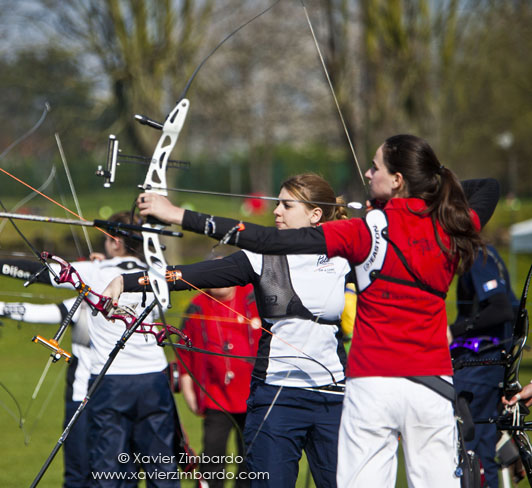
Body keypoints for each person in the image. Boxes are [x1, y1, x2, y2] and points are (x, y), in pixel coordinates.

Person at [113, 134, 500, 487]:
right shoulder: (444, 226)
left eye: (375, 168)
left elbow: (264, 237)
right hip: (320, 391)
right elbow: (488, 189)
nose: (367, 173)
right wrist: (131, 281)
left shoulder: (359, 235)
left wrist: (178, 214)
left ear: (397, 179)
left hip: (354, 388)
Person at [105, 174, 353, 487]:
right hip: (276, 397)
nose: (276, 211)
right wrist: (128, 282)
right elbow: (189, 275)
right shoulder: (260, 256)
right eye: (277, 204)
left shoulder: (345, 253)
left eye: (287, 205)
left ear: (315, 214)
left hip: (333, 396)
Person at [0, 211, 179, 486]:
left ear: (116, 242)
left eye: (107, 239)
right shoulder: (157, 273)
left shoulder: (95, 271)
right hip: (155, 379)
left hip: (111, 382)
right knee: (161, 469)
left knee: (109, 471)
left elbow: (38, 272)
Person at [0, 296, 92, 487]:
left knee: (113, 472)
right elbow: (38, 312)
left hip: (112, 398)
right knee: (80, 472)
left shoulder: (136, 304)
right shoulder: (83, 304)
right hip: (82, 398)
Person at [179, 280, 260, 487]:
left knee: (251, 457)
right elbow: (184, 356)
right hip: (215, 398)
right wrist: (189, 394)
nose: (220, 282)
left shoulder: (253, 296)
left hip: (254, 397)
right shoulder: (197, 307)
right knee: (212, 456)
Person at [450, 244, 516, 487]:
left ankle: (507, 448)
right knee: (481, 446)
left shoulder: (478, 256)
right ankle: (505, 448)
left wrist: (453, 331)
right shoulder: (488, 253)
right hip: (485, 362)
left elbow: (501, 308)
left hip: (479, 363)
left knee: (468, 446)